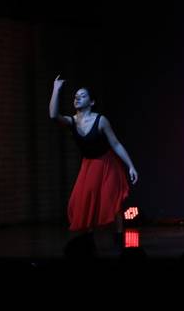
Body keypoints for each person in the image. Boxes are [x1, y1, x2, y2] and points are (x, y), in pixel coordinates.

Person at [49, 75, 138, 233]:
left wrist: (130, 166)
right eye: (76, 96)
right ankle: (88, 238)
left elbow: (115, 144)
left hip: (107, 164)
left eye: (82, 96)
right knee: (84, 200)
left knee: (112, 199)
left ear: (91, 102)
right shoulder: (72, 121)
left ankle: (118, 236)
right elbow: (54, 116)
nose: (77, 98)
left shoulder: (101, 120)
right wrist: (56, 89)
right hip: (89, 165)